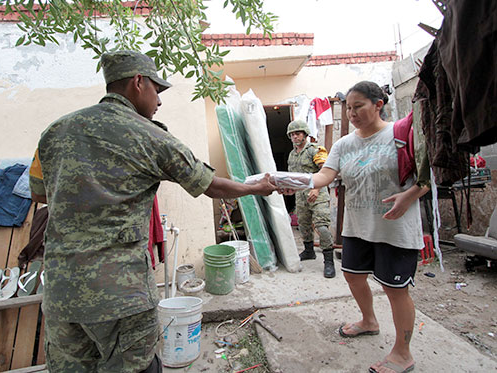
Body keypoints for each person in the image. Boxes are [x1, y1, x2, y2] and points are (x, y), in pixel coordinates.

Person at [29, 50, 277, 373]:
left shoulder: (54, 133)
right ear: (138, 82)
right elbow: (209, 185)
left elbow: (38, 194)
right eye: (157, 91)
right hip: (122, 297)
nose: (158, 102)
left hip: (63, 295)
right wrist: (256, 188)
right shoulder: (151, 136)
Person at [285, 81, 428, 373]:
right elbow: (325, 175)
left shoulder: (401, 134)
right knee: (352, 276)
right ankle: (369, 321)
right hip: (356, 226)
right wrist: (287, 182)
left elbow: (428, 175)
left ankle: (403, 353)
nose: (351, 113)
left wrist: (409, 195)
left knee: (395, 289)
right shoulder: (343, 144)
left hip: (395, 228)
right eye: (348, 108)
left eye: (358, 106)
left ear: (378, 104)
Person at [286, 119, 335, 278]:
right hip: (301, 196)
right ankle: (309, 251)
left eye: (297, 133)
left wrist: (316, 188)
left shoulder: (315, 150)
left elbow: (325, 171)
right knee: (304, 226)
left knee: (321, 227)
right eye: (292, 134)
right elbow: (293, 176)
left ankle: (329, 261)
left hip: (317, 194)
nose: (294, 136)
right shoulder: (292, 155)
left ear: (305, 134)